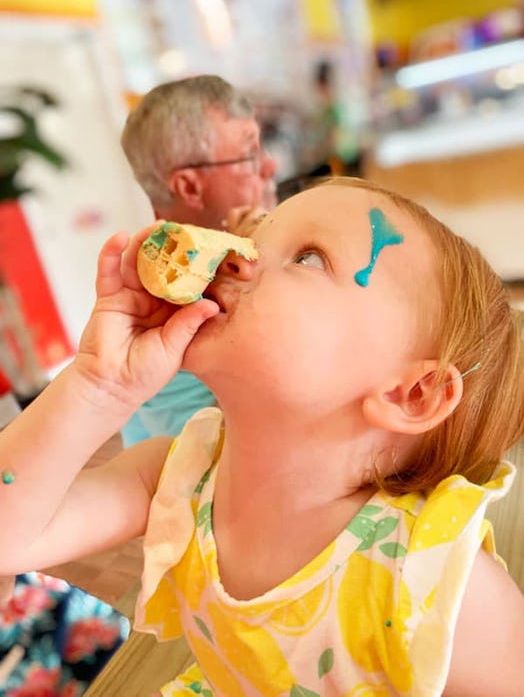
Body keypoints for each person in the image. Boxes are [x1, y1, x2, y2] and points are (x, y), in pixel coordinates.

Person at [0, 177, 523, 696]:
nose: (235, 254)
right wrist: (99, 385)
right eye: (258, 234)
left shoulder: (432, 587)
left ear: (410, 395)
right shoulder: (176, 479)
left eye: (310, 257)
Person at [119, 74, 277, 446]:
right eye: (249, 154)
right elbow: (220, 447)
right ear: (190, 187)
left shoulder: (253, 248)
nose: (268, 166)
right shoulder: (155, 303)